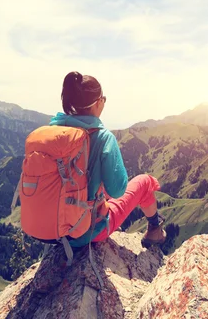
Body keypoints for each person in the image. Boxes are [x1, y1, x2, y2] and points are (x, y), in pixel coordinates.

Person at [49, 71, 166, 248]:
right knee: (145, 181)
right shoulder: (103, 138)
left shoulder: (53, 131)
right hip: (88, 231)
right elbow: (118, 190)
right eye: (103, 98)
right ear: (98, 103)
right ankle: (155, 230)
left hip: (52, 231)